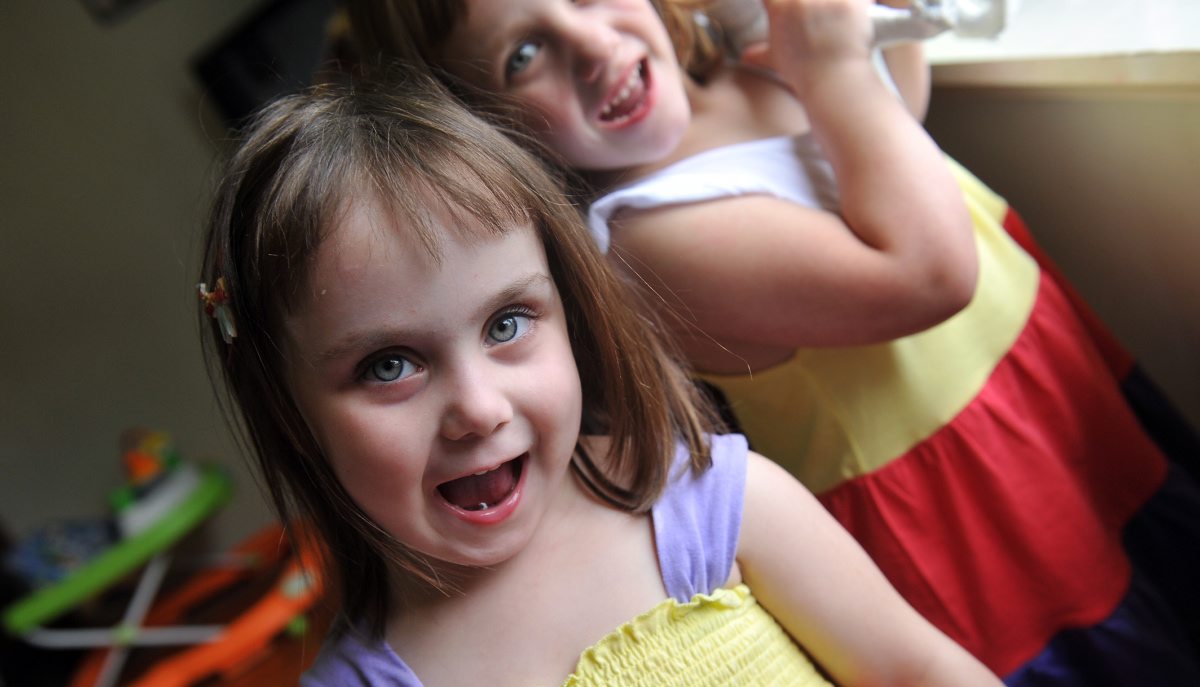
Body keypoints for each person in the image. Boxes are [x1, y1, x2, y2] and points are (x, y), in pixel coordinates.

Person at [341, 0, 1200, 683]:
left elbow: (889, 125)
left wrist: (828, 36)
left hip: (1038, 404)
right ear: (493, 131)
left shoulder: (735, 74)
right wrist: (829, 66)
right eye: (523, 55)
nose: (593, 45)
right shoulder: (647, 238)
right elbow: (931, 272)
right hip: (971, 519)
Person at [196, 69, 1003, 685]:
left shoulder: (716, 507)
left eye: (506, 323)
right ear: (290, 408)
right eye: (390, 365)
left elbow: (923, 672)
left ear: (568, 310)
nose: (478, 407)